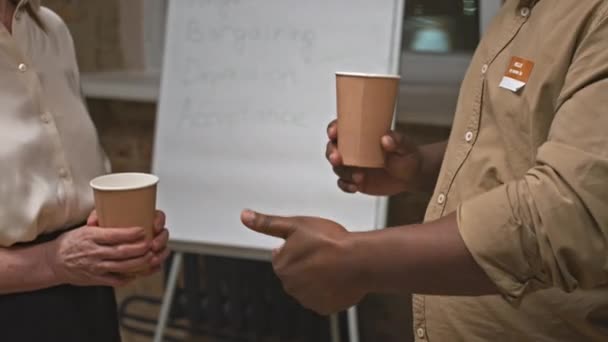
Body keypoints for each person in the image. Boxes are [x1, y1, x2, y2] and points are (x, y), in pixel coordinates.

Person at [241, 0, 608, 340]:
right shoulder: (517, 11)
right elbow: (521, 146)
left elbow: (567, 214)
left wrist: (354, 259)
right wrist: (421, 168)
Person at [0, 1, 170, 341]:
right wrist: (53, 262)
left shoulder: (50, 29)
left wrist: (118, 243)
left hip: (85, 298)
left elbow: (66, 180)